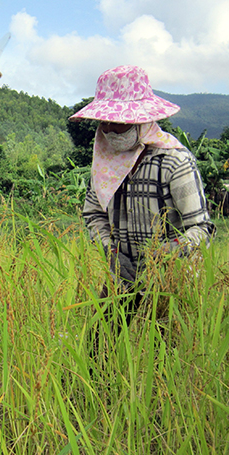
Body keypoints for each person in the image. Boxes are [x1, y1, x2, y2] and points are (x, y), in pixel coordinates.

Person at [69, 65, 215, 361]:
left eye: (118, 123)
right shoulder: (105, 161)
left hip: (168, 279)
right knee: (98, 348)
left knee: (165, 356)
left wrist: (164, 255)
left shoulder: (173, 162)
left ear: (141, 119)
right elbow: (93, 213)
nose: (109, 130)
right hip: (121, 273)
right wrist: (110, 248)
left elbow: (201, 228)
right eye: (104, 122)